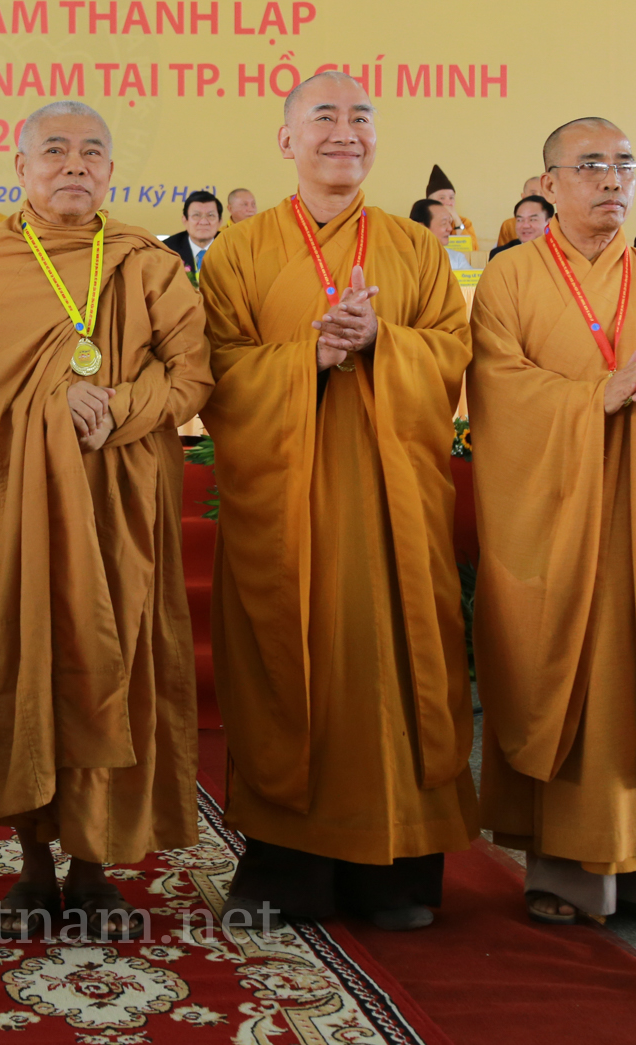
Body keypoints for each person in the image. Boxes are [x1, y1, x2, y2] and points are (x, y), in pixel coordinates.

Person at [200, 71, 477, 932]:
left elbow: (452, 353)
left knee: (395, 659)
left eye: (360, 116)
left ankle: (395, 865)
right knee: (290, 659)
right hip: (287, 497)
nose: (344, 131)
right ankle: (286, 863)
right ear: (288, 139)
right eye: (324, 115)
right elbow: (215, 368)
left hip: (394, 500)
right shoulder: (239, 251)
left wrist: (383, 341)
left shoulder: (414, 247)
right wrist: (309, 357)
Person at [0, 101, 210, 939]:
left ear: (113, 172)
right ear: (21, 168)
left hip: (122, 503)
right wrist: (52, 407)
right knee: (27, 659)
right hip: (19, 509)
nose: (75, 164)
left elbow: (193, 374)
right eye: (55, 150)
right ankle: (32, 866)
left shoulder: (147, 263)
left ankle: (94, 869)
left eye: (92, 152)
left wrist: (115, 406)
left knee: (111, 661)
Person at [469, 117, 636, 929]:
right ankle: (568, 871)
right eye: (590, 165)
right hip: (556, 513)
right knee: (572, 676)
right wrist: (596, 398)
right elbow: (497, 388)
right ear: (548, 184)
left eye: (624, 163)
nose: (612, 179)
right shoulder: (509, 278)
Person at [161, 190, 222, 272]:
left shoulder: (232, 247)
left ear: (220, 221)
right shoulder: (167, 250)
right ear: (185, 220)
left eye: (211, 215)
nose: (203, 222)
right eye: (196, 215)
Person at [409, 199, 470, 270]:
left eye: (449, 222)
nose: (450, 228)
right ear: (421, 228)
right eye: (444, 223)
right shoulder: (402, 258)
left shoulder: (456, 259)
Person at [424, 165, 477, 249]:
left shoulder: (464, 222)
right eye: (442, 198)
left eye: (451, 198)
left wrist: (456, 219)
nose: (448, 203)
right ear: (429, 202)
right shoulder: (422, 222)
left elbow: (472, 249)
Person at [488, 195, 553, 261]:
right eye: (520, 220)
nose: (525, 226)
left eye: (532, 219)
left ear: (549, 222)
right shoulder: (500, 254)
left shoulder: (557, 251)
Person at [495, 177, 546, 247]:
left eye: (542, 194)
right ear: (523, 197)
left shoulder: (556, 223)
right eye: (533, 193)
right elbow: (502, 252)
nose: (538, 197)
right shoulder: (509, 225)